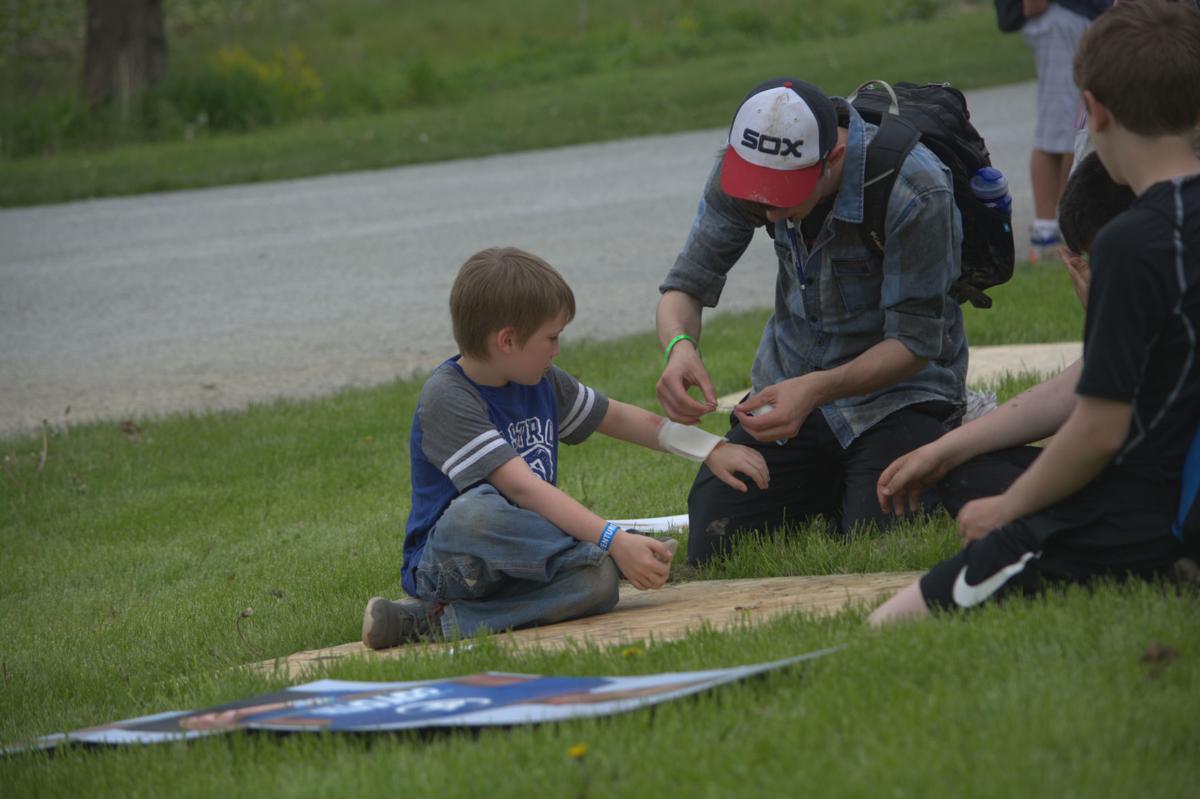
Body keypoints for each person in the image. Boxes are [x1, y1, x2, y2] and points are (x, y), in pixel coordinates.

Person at [870, 0, 1200, 625]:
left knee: (889, 623)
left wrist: (1010, 508)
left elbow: (1101, 429)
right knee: (974, 470)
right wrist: (951, 449)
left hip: (1146, 513)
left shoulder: (1134, 241)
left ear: (1094, 110)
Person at [362, 247, 768, 648]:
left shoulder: (541, 381)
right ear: (507, 340)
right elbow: (523, 489)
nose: (557, 349)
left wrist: (711, 448)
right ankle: (609, 546)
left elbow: (621, 418)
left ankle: (433, 622)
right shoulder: (448, 395)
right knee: (480, 509)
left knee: (598, 583)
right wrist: (611, 539)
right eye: (551, 337)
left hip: (531, 557)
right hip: (451, 562)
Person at [656, 78, 968, 565]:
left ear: (833, 159)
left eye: (782, 196)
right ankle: (831, 487)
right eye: (757, 195)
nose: (766, 210)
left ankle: (940, 451)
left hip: (898, 396)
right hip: (788, 389)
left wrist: (816, 390)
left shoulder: (915, 190)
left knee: (879, 544)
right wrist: (680, 346)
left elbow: (914, 343)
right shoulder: (746, 168)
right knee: (715, 543)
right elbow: (687, 284)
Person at [994, 0, 1112, 262]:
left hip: (1068, 20)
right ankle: (1048, 232)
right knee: (1064, 129)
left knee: (1070, 126)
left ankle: (1057, 225)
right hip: (1059, 21)